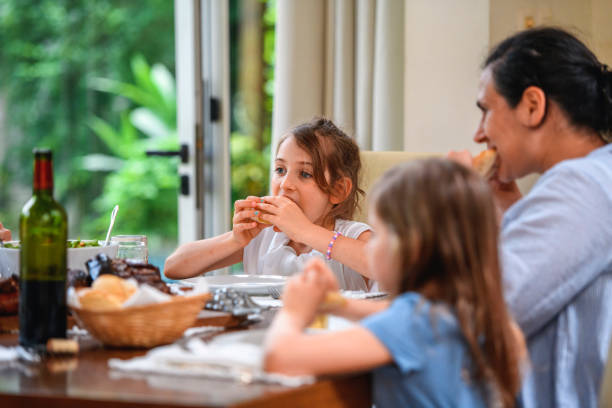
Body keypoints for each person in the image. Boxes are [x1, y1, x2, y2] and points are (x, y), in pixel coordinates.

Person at [264, 159, 526, 408]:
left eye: (378, 235)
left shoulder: (409, 326)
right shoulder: (468, 310)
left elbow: (280, 358)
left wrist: (293, 312)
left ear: (412, 249)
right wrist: (336, 304)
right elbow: (396, 313)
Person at [448, 27, 612, 407]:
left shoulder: (582, 187)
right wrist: (506, 209)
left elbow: (475, 320)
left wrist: (450, 204)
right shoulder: (590, 179)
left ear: (533, 106)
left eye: (485, 111)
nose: (478, 134)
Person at [164, 118, 372, 290]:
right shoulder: (265, 238)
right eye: (280, 170)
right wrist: (235, 240)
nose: (286, 184)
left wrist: (305, 231)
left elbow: (386, 267)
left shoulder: (354, 236)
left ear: (338, 190)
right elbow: (174, 267)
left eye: (305, 174)